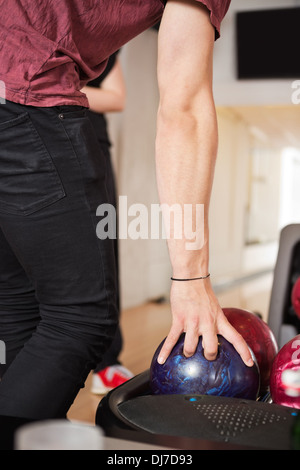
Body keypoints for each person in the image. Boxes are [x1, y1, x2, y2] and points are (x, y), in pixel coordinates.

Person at [0, 0, 253, 421]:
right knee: (78, 321)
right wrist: (191, 279)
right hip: (23, 94)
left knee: (19, 304)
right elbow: (183, 110)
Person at [81, 53, 134, 394]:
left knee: (103, 252)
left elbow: (116, 98)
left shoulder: (101, 45)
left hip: (92, 150)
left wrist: (54, 91)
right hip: (25, 146)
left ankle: (106, 362)